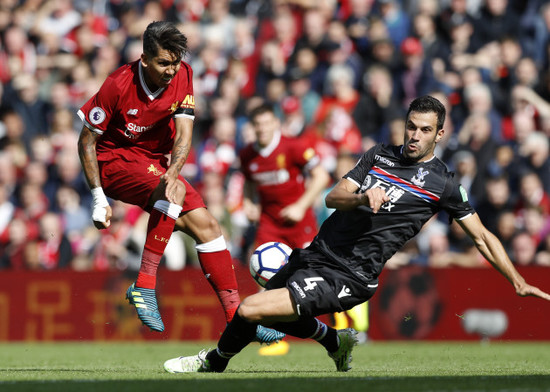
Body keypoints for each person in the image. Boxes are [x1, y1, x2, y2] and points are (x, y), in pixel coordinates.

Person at [163, 95, 550, 374]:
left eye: (425, 130)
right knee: (262, 317)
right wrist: (363, 197)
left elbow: (482, 237)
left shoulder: (443, 184)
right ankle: (335, 341)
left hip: (350, 275)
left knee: (250, 309)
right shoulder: (379, 155)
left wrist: (516, 280)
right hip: (317, 253)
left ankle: (210, 364)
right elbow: (334, 196)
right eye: (411, 126)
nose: (414, 135)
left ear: (440, 134)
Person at [77, 21, 283, 344]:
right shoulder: (117, 85)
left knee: (209, 226)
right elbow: (86, 141)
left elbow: (185, 133)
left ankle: (239, 320)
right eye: (163, 63)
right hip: (114, 161)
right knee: (171, 192)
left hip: (155, 164)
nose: (170, 70)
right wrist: (97, 197)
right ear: (144, 59)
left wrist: (172, 174)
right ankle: (144, 284)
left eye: (174, 62)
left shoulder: (184, 73)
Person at [240, 103, 330, 355]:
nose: (262, 129)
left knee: (312, 279)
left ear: (276, 124)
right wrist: (249, 202)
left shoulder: (293, 146)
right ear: (253, 128)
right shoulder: (247, 154)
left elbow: (322, 176)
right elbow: (249, 182)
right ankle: (275, 339)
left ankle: (336, 324)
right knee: (263, 279)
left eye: (267, 123)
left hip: (299, 224)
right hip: (270, 224)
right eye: (258, 125)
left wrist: (301, 206)